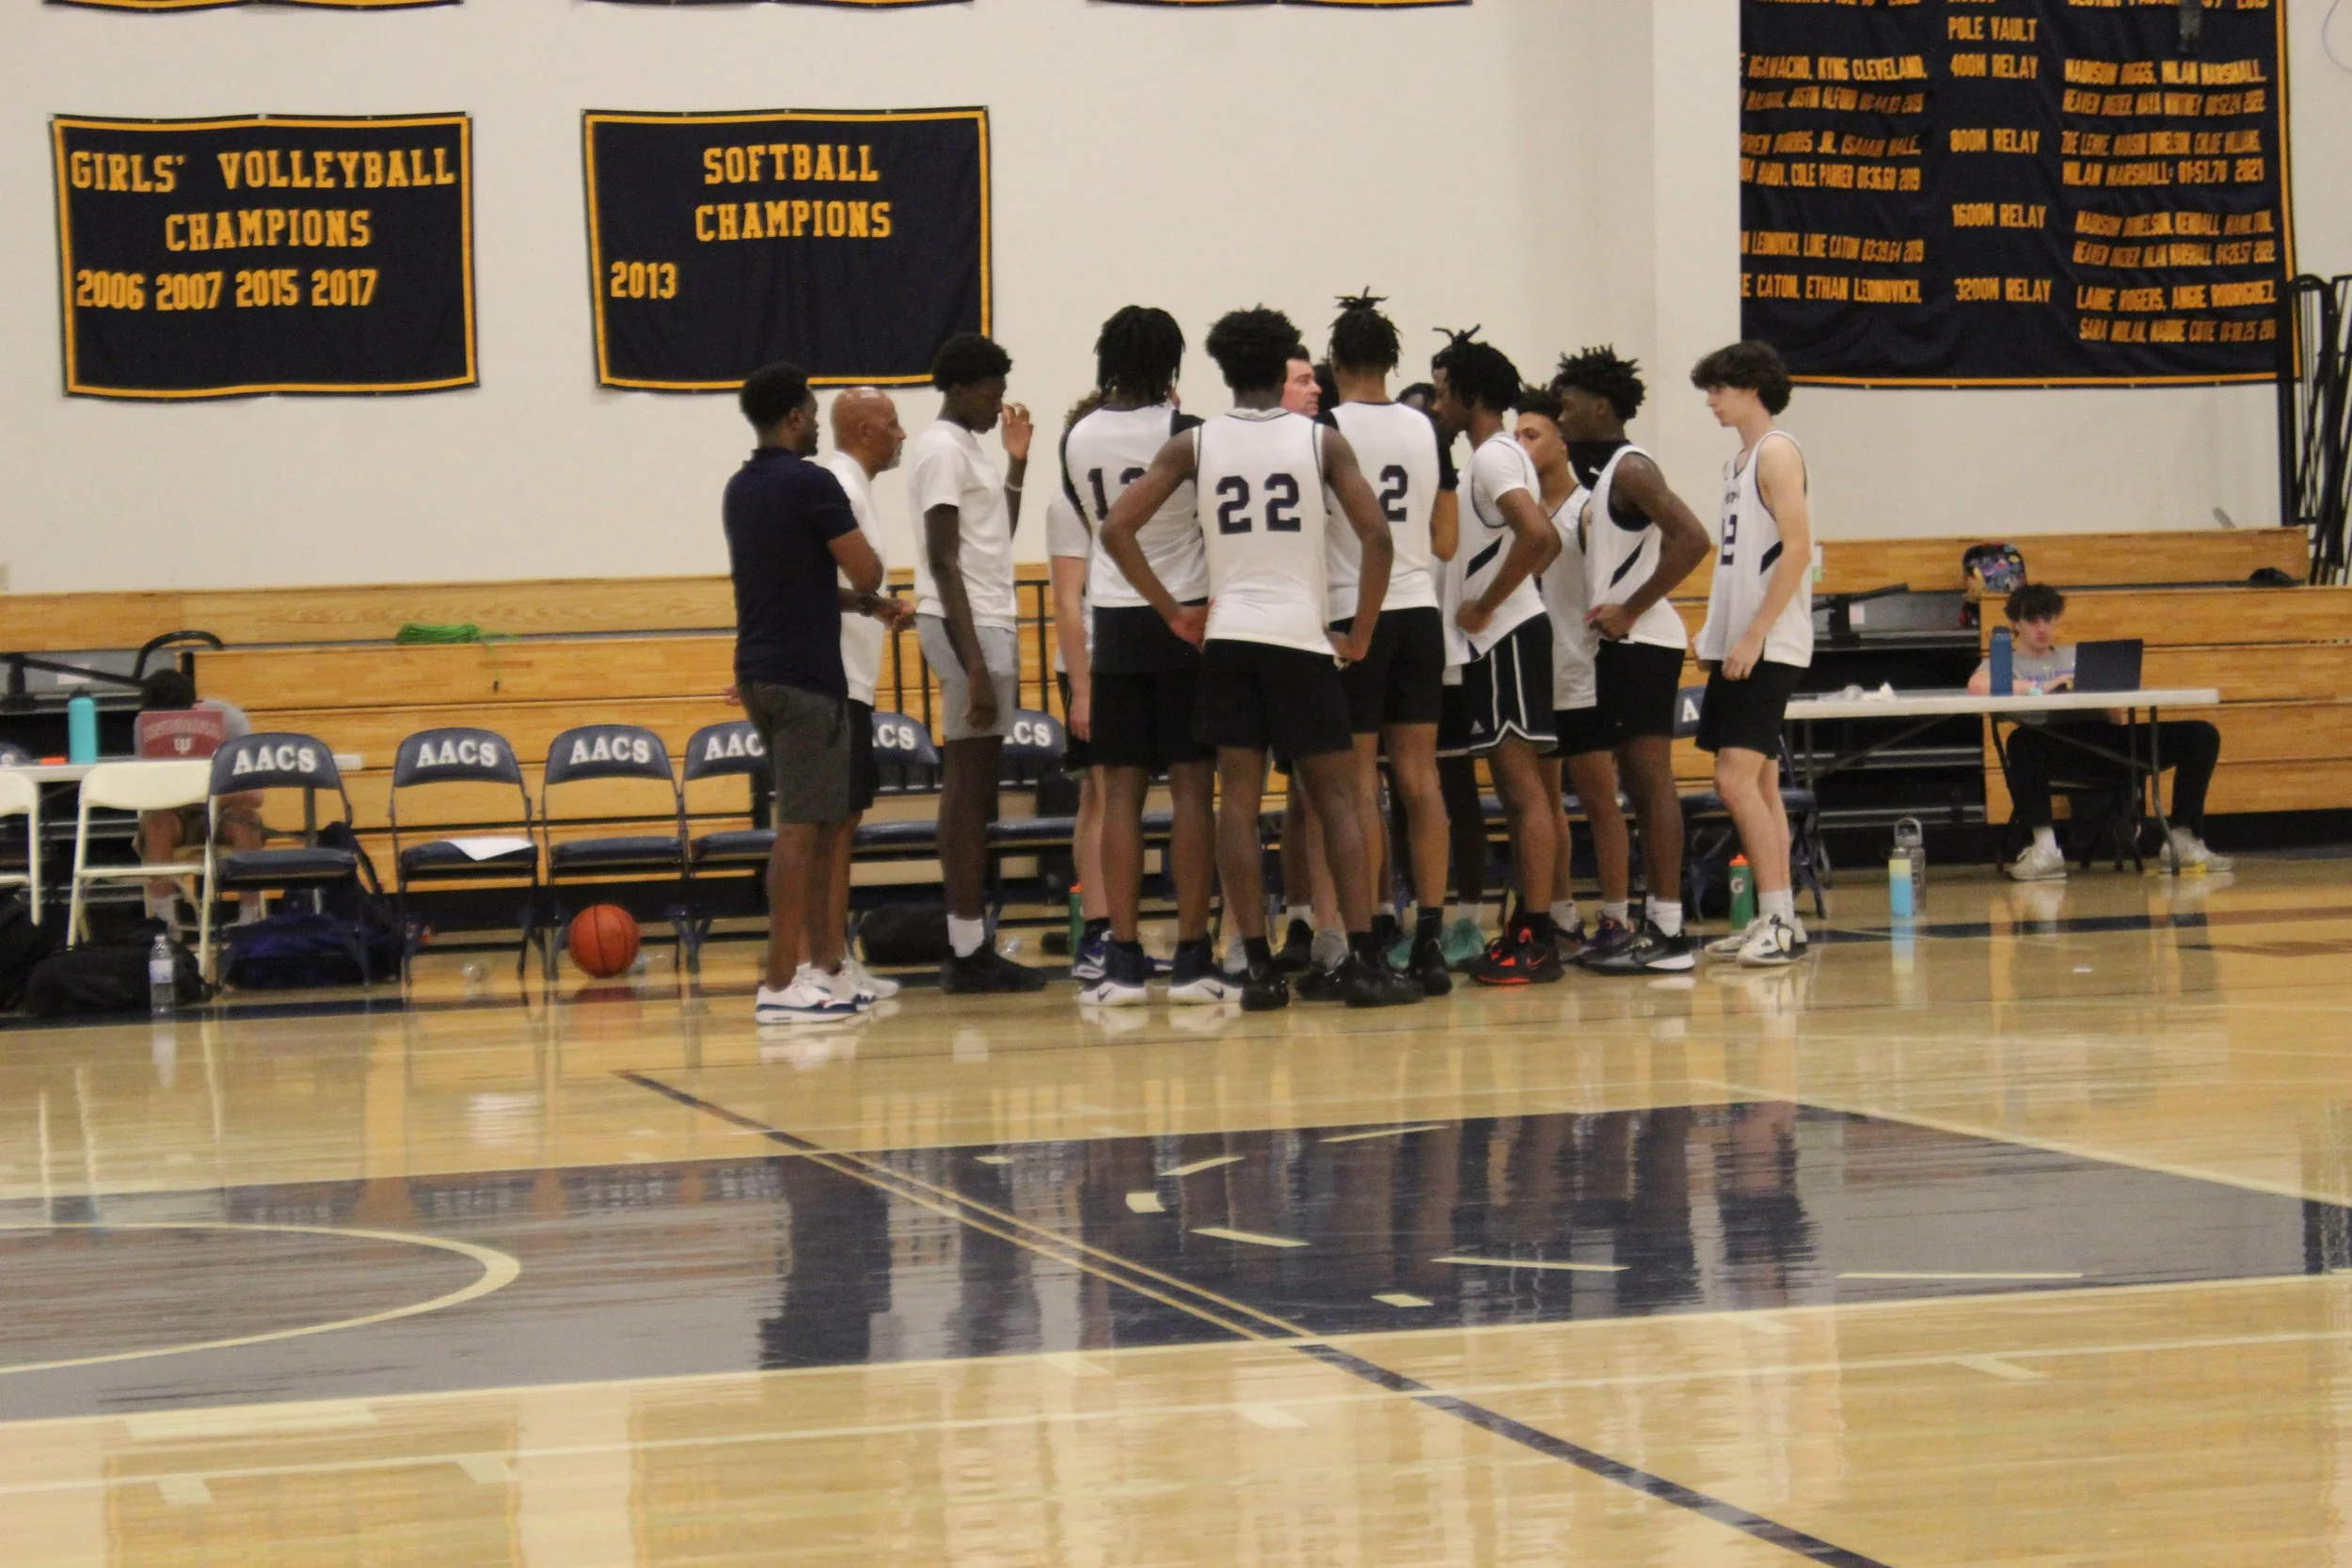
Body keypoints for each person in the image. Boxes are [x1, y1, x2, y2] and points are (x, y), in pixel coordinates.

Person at [1100, 305, 1421, 1011]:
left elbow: (1117, 527)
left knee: (1237, 808)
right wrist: (1362, 635)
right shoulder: (1320, 440)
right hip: (1300, 638)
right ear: (1282, 368)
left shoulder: (1194, 443)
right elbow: (1377, 537)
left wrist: (1172, 611)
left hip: (1231, 637)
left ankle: (1257, 966)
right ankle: (1364, 960)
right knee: (1339, 799)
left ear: (1222, 369)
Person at [1061, 308, 1233, 1006]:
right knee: (1193, 793)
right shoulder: (1187, 433)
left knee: (1120, 798)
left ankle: (1124, 960)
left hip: (1115, 620)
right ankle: (1192, 956)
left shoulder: (1076, 436)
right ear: (1171, 366)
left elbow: (1094, 522)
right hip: (1185, 615)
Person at [723, 362, 889, 1024]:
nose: (819, 424)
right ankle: (779, 982)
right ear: (794, 416)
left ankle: (824, 969)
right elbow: (866, 568)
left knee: (815, 824)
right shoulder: (812, 482)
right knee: (799, 829)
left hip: (757, 671)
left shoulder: (741, 488)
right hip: (805, 679)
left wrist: (864, 606)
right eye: (814, 413)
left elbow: (799, 581)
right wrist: (871, 587)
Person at [1552, 346, 1711, 974]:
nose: (1561, 416)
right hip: (1623, 645)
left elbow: (1693, 538)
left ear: (1601, 406)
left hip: (1644, 642)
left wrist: (1631, 606)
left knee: (1650, 782)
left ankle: (1669, 930)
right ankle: (1655, 923)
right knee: (1638, 788)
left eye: (1567, 405)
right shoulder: (1603, 477)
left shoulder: (1632, 468)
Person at [1320, 294, 1455, 994]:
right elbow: (1446, 537)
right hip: (1419, 609)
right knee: (1419, 779)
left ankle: (1370, 934)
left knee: (1358, 786)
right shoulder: (1427, 426)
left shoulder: (1325, 427)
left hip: (1353, 611)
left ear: (1336, 360)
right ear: (1392, 361)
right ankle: (1430, 937)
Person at [911, 332, 1048, 992]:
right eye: (993, 394)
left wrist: (1016, 465)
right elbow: (943, 560)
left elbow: (994, 537)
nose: (1000, 406)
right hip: (967, 625)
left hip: (984, 619)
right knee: (968, 791)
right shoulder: (942, 448)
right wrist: (974, 666)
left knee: (976, 789)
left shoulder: (968, 448)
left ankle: (970, 944)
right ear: (964, 388)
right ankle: (967, 951)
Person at [1430, 330, 1564, 985]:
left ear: (1470, 393)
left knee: (1521, 791)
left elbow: (1540, 536)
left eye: (1443, 391)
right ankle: (1529, 927)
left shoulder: (1491, 458)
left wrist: (1486, 604)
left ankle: (1534, 934)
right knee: (1520, 791)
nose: (1437, 404)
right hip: (1506, 636)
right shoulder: (1496, 457)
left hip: (1505, 636)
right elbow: (1545, 542)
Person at [1967, 582, 2230, 879]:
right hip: (2055, 748)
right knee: (2022, 741)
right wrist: (2041, 687)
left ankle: (2182, 838)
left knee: (2201, 734)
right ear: (2016, 623)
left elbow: (2115, 709)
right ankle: (2044, 848)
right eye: (2032, 620)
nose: (2042, 628)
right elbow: (1977, 685)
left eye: (2048, 619)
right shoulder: (2006, 662)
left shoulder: (2076, 656)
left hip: (2106, 742)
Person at [1692, 341, 1813, 967]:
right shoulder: (1738, 462)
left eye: (1719, 389)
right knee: (1760, 782)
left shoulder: (1777, 451)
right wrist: (1719, 636)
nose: (1711, 401)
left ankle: (1779, 918)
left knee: (1733, 779)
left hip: (1768, 642)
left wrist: (1755, 633)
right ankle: (1778, 915)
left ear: (1752, 388)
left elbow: (1798, 548)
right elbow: (1739, 563)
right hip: (1742, 643)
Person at [1516, 386, 1635, 961]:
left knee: (1598, 801)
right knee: (1544, 804)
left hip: (1582, 669)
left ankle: (1617, 914)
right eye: (1516, 436)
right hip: (1535, 673)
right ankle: (1559, 913)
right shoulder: (1516, 508)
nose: (1521, 445)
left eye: (1532, 435)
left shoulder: (1588, 509)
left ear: (1562, 443)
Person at [817, 387, 917, 1000]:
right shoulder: (840, 488)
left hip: (851, 676)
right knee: (831, 826)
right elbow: (812, 584)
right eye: (892, 423)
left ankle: (835, 959)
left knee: (844, 821)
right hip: (834, 678)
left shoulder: (855, 489)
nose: (902, 434)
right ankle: (825, 964)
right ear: (861, 429)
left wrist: (876, 607)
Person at [1045, 394, 1114, 986]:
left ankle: (1116, 927)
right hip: (1088, 659)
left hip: (1128, 655)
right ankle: (1097, 929)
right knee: (1100, 792)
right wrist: (1083, 688)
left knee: (1116, 793)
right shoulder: (1069, 503)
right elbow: (1066, 602)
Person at [134, 669, 261, 926]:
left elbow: (256, 795)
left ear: (195, 707)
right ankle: (164, 924)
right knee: (156, 823)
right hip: (175, 812)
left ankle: (250, 917)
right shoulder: (143, 725)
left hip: (222, 809)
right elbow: (145, 792)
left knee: (246, 818)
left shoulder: (230, 720)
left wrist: (205, 794)